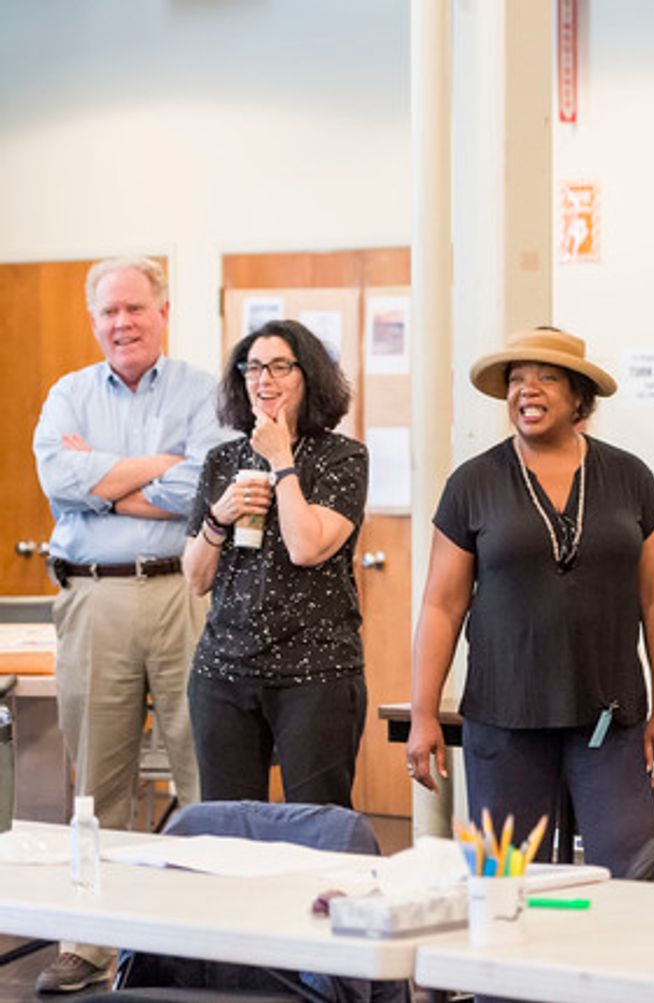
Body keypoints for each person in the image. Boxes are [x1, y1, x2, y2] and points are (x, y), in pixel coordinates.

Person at [406, 326, 654, 878]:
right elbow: (441, 606)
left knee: (633, 870)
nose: (527, 390)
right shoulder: (473, 482)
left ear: (579, 397)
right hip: (504, 714)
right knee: (508, 880)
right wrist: (422, 714)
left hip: (609, 715)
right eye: (516, 379)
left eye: (547, 378)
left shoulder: (630, 477)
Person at [32, 257, 224, 994]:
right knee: (97, 784)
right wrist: (156, 467)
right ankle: (90, 942)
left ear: (163, 312)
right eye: (109, 312)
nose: (123, 323)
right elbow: (60, 479)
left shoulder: (204, 392)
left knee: (203, 773)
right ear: (94, 321)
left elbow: (203, 485)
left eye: (136, 308)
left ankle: (208, 943)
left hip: (185, 592)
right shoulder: (68, 395)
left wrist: (106, 483)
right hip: (95, 597)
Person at [182, 319, 369, 807]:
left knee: (317, 824)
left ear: (310, 376)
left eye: (280, 367)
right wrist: (218, 518)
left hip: (315, 671)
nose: (264, 380)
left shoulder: (342, 458)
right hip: (224, 670)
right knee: (228, 825)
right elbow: (196, 578)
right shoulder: (222, 460)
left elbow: (306, 548)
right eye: (253, 368)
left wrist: (281, 461)